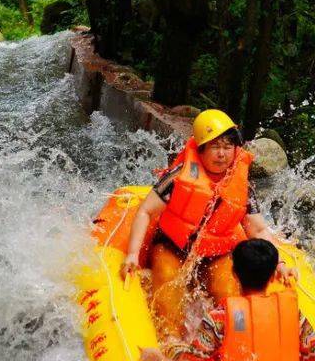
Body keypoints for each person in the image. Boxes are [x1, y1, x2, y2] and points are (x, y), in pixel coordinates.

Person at [120, 109, 292, 340]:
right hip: (173, 246)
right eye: (215, 146)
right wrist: (132, 254)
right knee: (168, 284)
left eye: (228, 146)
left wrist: (278, 262)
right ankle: (173, 346)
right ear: (200, 149)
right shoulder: (179, 176)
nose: (222, 154)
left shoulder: (242, 186)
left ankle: (231, 346)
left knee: (229, 295)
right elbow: (145, 211)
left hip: (215, 253)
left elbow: (258, 230)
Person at [139, 238, 315, 361]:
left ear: (234, 274)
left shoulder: (220, 318)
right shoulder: (293, 315)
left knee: (175, 349)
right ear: (272, 277)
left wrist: (155, 357)